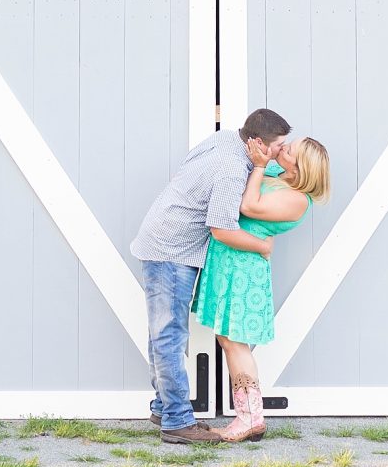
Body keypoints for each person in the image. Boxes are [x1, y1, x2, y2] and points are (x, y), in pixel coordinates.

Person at [130, 108, 291, 444]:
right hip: (171, 250)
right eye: (278, 147)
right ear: (258, 143)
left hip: (163, 237)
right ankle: (176, 422)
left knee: (162, 333)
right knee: (169, 336)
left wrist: (280, 166)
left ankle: (164, 405)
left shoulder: (224, 140)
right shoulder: (232, 172)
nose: (280, 153)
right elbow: (222, 230)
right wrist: (262, 246)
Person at [192, 135, 330, 442]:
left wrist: (258, 166)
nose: (282, 148)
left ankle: (250, 417)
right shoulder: (275, 175)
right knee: (226, 338)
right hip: (227, 259)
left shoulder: (297, 200)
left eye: (289, 150)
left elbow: (248, 205)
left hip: (244, 268)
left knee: (235, 340)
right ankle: (248, 416)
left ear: (300, 167)